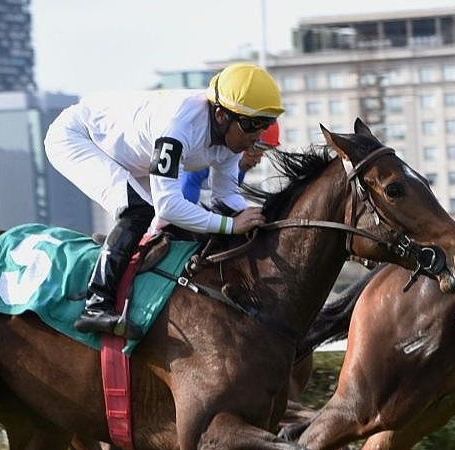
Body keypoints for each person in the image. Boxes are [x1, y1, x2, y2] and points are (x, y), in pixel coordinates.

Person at [45, 63, 285, 338]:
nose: (256, 136)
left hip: (133, 155)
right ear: (221, 115)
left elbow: (226, 195)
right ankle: (96, 303)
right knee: (138, 211)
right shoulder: (179, 126)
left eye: (264, 125)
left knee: (165, 225)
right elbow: (168, 206)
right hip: (77, 138)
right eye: (252, 126)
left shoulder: (232, 136)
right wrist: (231, 227)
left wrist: (261, 219)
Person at [181, 121, 280, 205]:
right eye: (256, 149)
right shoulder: (214, 155)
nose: (258, 161)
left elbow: (226, 203)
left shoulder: (239, 173)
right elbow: (189, 183)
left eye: (264, 151)